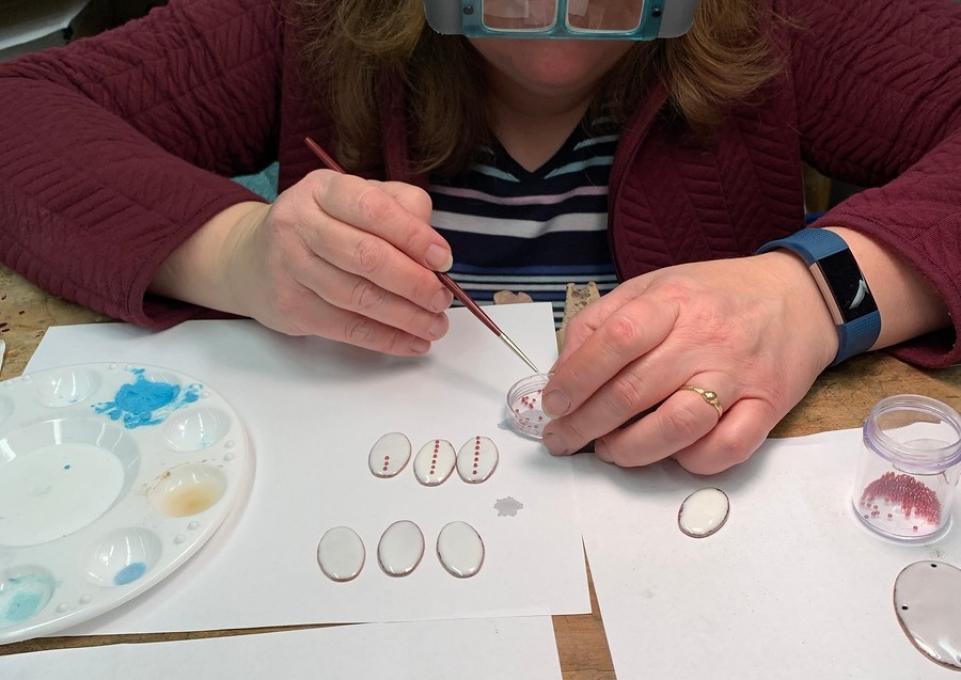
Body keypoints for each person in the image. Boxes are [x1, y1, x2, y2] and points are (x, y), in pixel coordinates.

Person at [1, 0, 959, 474]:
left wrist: (820, 293)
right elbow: (20, 112)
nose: (557, 24)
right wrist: (235, 254)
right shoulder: (304, 23)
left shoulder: (781, 25)